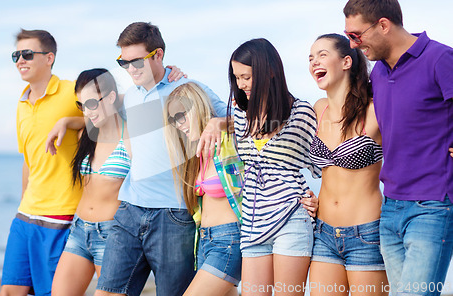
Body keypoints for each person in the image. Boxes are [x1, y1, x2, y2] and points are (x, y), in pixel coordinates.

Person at [95, 22, 228, 296]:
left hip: (174, 214)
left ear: (157, 55)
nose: (130, 69)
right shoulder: (131, 96)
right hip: (129, 209)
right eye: (124, 62)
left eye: (136, 61)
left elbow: (241, 120)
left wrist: (220, 123)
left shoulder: (189, 87)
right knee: (107, 292)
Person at [344, 0, 453, 296]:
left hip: (432, 205)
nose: (353, 44)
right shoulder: (378, 73)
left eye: (356, 35)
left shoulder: (440, 59)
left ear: (383, 25)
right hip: (390, 207)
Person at [229, 38, 320, 296]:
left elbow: (326, 163)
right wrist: (216, 122)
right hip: (252, 221)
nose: (241, 84)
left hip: (292, 216)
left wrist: (319, 197)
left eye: (246, 76)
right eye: (237, 78)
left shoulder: (301, 112)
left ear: (269, 71)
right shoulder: (238, 114)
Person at [0, 29, 83, 296]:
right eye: (16, 55)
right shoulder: (21, 104)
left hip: (60, 216)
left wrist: (69, 121)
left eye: (27, 54)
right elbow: (29, 161)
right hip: (26, 216)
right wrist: (23, 204)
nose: (20, 61)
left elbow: (109, 118)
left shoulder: (72, 90)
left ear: (49, 58)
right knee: (10, 292)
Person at [308, 33, 388, 295]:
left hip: (366, 233)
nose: (314, 62)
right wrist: (221, 121)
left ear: (345, 62)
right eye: (310, 58)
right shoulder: (318, 109)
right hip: (323, 234)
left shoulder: (374, 111)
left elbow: (417, 139)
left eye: (322, 55)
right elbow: (270, 122)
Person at [48, 69, 131, 295]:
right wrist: (66, 120)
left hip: (112, 235)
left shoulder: (131, 138)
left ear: (112, 98)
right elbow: (81, 120)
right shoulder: (85, 133)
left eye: (92, 103)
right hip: (79, 229)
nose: (87, 111)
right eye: (81, 105)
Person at [164, 82, 244, 296]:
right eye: (173, 120)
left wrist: (221, 122)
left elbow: (258, 124)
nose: (178, 125)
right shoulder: (197, 153)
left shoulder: (230, 140)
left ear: (197, 106)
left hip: (229, 239)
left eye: (181, 116)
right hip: (204, 240)